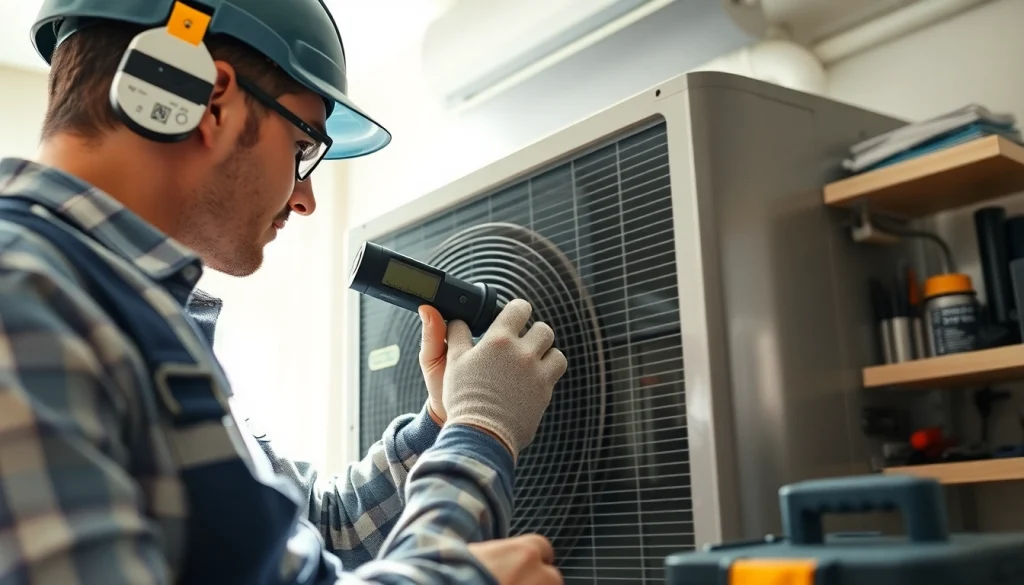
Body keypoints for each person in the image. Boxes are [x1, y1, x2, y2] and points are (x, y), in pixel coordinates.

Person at [0, 1, 568, 584]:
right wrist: (482, 440)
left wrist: (449, 419)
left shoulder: (134, 322)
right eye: (303, 150)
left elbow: (322, 530)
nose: (305, 199)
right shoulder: (21, 294)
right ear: (211, 99)